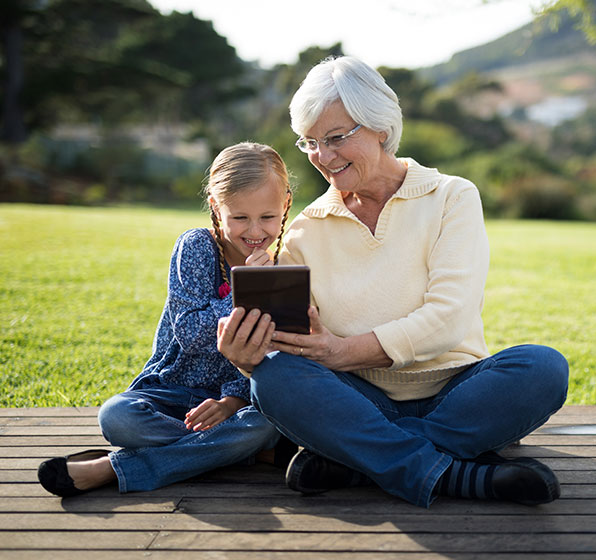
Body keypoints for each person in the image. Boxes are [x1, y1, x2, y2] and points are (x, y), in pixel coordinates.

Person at [218, 57, 569, 508]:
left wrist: (342, 351)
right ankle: (452, 473)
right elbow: (302, 346)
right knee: (275, 379)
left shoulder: (452, 197)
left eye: (336, 138)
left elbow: (448, 318)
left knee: (542, 368)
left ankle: (358, 460)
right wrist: (249, 358)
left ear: (380, 127)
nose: (322, 157)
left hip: (456, 391)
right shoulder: (306, 229)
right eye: (310, 142)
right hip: (359, 399)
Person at [38, 142, 297, 497]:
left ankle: (113, 469)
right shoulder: (195, 247)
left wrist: (232, 401)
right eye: (239, 217)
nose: (255, 231)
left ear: (285, 205)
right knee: (116, 417)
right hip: (172, 391)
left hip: (239, 402)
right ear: (215, 208)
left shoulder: (288, 264)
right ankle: (243, 453)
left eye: (267, 217)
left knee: (261, 426)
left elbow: (276, 351)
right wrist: (249, 290)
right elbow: (191, 333)